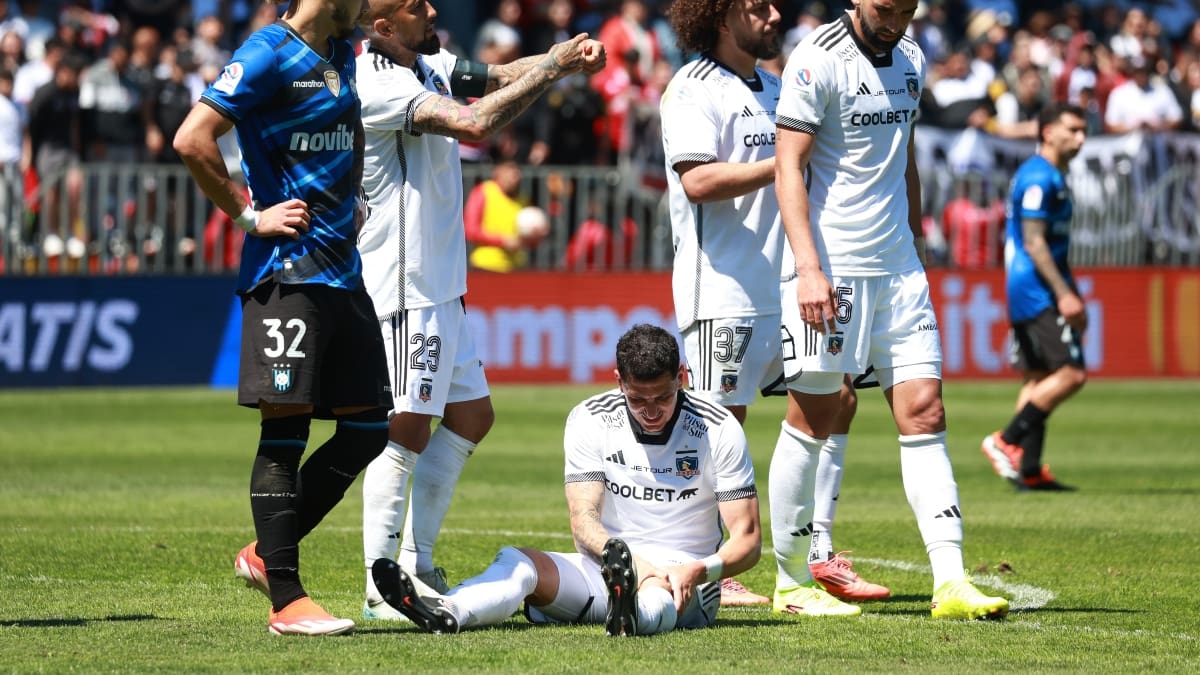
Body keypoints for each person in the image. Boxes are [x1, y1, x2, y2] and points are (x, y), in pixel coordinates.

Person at [354, 0, 605, 621]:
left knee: (471, 415)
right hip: (405, 278)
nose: (433, 9)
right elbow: (473, 125)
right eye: (417, 6)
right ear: (383, 26)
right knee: (407, 426)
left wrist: (561, 59)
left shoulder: (427, 60)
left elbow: (496, 76)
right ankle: (379, 585)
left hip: (440, 279)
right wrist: (549, 74)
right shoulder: (376, 82)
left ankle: (418, 562)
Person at [772, 0, 1009, 619]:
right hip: (833, 267)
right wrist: (808, 268)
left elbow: (901, 156)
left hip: (900, 268)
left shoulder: (911, 56)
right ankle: (792, 581)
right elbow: (789, 166)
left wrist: (917, 236)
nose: (896, 19)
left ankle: (951, 581)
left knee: (925, 409)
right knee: (815, 412)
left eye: (906, 8)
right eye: (886, 8)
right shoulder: (815, 58)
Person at [172, 0, 392, 637]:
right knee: (285, 433)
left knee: (369, 428)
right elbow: (193, 138)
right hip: (286, 274)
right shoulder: (267, 53)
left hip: (343, 272)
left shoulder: (342, 53)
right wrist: (249, 216)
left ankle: (263, 553)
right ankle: (287, 599)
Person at [659, 0, 886, 608]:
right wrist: (781, 164)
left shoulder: (780, 84)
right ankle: (712, 564)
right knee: (719, 429)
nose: (773, 14)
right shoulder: (691, 87)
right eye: (757, 6)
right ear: (721, 15)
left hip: (789, 284)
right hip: (724, 286)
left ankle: (818, 553)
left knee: (835, 401)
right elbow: (697, 181)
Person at [370, 323, 762, 636]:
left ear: (681, 377)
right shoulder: (590, 418)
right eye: (637, 399)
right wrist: (626, 564)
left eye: (662, 397)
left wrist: (700, 570)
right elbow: (583, 522)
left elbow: (747, 539)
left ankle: (631, 617)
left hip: (683, 575)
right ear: (618, 380)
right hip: (612, 565)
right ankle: (448, 611)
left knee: (656, 594)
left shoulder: (717, 427)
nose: (651, 411)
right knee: (518, 561)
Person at [981, 103, 1089, 492]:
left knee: (1038, 376)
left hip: (1033, 287)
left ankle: (1027, 469)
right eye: (1073, 130)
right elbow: (1034, 241)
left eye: (1083, 130)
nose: (1081, 138)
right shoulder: (1040, 178)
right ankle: (1005, 440)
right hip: (1035, 289)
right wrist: (1063, 294)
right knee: (1071, 374)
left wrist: (1070, 289)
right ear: (1047, 132)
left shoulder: (1049, 175)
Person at [463, 160, 546, 272]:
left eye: (516, 173)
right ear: (497, 172)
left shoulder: (524, 200)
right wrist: (502, 241)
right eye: (509, 172)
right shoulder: (483, 192)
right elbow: (470, 230)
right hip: (486, 266)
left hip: (517, 267)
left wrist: (536, 236)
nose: (514, 177)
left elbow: (528, 239)